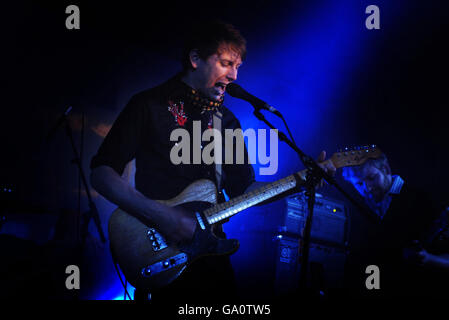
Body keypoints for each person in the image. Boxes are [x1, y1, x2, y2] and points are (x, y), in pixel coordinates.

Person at [90, 20, 335, 302]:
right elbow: (101, 173)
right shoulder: (149, 105)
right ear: (195, 59)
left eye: (238, 67)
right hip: (162, 248)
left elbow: (245, 189)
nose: (233, 75)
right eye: (225, 63)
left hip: (209, 252)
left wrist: (300, 182)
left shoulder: (226, 121)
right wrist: (164, 217)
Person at [342, 152, 449, 298]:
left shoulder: (422, 200)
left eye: (372, 178)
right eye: (359, 184)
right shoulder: (362, 210)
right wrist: (371, 288)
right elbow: (371, 262)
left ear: (386, 168)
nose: (367, 188)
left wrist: (429, 259)